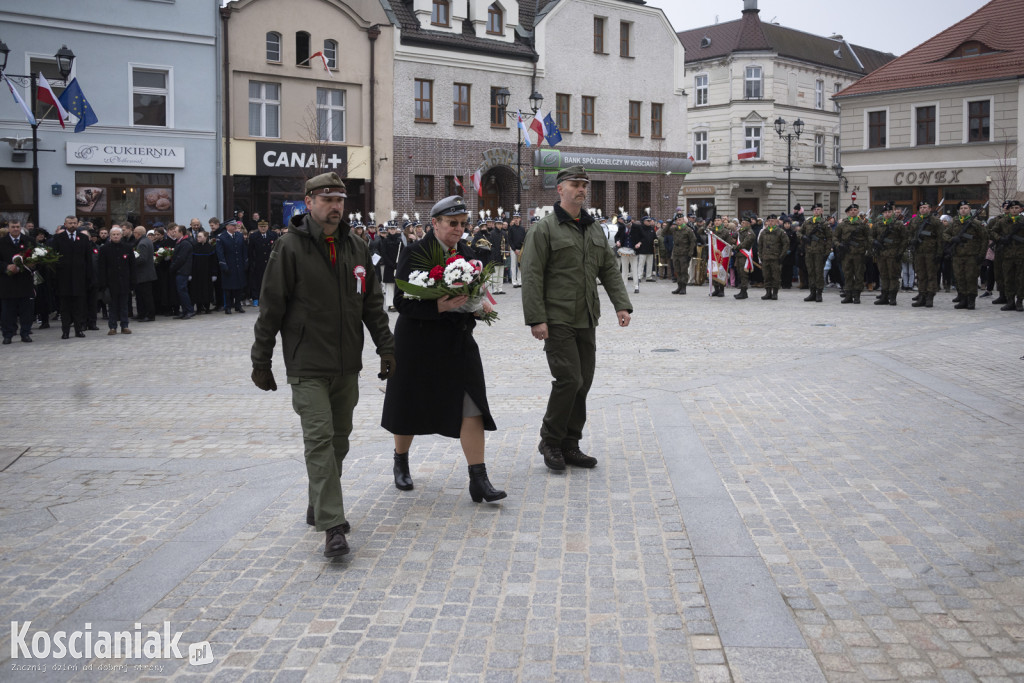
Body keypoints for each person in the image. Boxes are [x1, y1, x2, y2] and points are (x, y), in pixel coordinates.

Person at [251, 172, 395, 558]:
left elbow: (372, 305)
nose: (335, 207)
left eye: (340, 200)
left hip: (347, 363)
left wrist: (387, 348)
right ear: (309, 202)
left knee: (340, 441)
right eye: (327, 200)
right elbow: (271, 308)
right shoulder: (289, 248)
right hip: (307, 362)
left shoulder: (357, 246)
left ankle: (320, 499)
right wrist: (260, 360)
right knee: (319, 440)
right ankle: (333, 524)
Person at [381, 195, 505, 503]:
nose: (458, 230)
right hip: (418, 342)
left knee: (472, 405)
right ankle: (401, 459)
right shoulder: (414, 253)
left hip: (456, 342)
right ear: (434, 223)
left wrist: (479, 307)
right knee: (408, 403)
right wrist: (437, 305)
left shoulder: (467, 252)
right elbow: (400, 302)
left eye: (463, 224)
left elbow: (476, 290)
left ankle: (479, 479)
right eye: (452, 223)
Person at [521, 166, 632, 471]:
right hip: (557, 318)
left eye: (585, 184)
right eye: (575, 184)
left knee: (583, 383)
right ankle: (550, 440)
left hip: (586, 317)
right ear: (560, 189)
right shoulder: (544, 229)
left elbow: (608, 268)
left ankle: (570, 443)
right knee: (569, 379)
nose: (582, 189)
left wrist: (621, 304)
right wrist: (536, 319)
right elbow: (531, 276)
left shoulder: (593, 228)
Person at [53, 215, 94, 339]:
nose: (72, 225)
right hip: (63, 279)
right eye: (70, 223)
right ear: (65, 224)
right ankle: (65, 331)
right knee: (65, 307)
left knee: (79, 307)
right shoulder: (58, 238)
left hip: (79, 279)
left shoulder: (83, 238)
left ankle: (79, 329)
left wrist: (89, 277)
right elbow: (54, 259)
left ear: (77, 224)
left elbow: (88, 259)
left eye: (74, 223)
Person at [944, 200, 987, 311]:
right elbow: (945, 234)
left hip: (971, 255)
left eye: (966, 208)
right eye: (961, 208)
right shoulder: (955, 222)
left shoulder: (976, 223)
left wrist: (981, 255)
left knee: (971, 278)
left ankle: (971, 300)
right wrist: (952, 239)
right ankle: (963, 299)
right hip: (957, 255)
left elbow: (984, 239)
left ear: (969, 210)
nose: (963, 210)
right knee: (959, 278)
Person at [96, 226, 136, 334]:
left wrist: (132, 281)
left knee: (124, 305)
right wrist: (103, 283)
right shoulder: (104, 249)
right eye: (113, 234)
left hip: (124, 282)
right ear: (110, 236)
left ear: (121, 235)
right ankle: (112, 327)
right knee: (112, 306)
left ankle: (125, 325)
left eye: (118, 234)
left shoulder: (127, 247)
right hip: (110, 282)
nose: (116, 236)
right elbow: (101, 267)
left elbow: (132, 266)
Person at [0, 219, 35, 344]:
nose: (15, 229)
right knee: (8, 311)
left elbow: (38, 259)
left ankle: (25, 333)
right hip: (7, 282)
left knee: (26, 311)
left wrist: (32, 265)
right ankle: (8, 335)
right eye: (13, 226)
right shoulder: (2, 242)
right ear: (8, 228)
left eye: (17, 226)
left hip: (24, 281)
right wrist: (6, 267)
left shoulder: (29, 241)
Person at [908, 201, 944, 308]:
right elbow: (909, 233)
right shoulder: (914, 220)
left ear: (930, 209)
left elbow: (940, 238)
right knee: (920, 275)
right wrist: (912, 241)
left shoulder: (935, 221)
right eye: (921, 207)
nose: (923, 209)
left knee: (931, 275)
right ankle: (922, 296)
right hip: (918, 252)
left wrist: (939, 253)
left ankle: (930, 297)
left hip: (931, 252)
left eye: (925, 207)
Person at [871, 203, 909, 306]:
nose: (887, 214)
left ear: (892, 213)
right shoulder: (878, 224)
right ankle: (884, 296)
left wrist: (900, 252)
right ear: (882, 213)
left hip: (893, 253)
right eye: (885, 212)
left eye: (889, 212)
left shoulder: (898, 224)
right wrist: (875, 243)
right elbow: (871, 236)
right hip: (881, 253)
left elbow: (905, 239)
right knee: (883, 275)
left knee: (893, 276)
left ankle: (892, 297)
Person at [835, 204, 871, 304]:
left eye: (855, 210)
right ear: (847, 212)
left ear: (858, 211)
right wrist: (839, 245)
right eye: (851, 210)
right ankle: (848, 295)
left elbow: (869, 237)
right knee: (847, 274)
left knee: (859, 274)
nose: (853, 212)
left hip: (859, 253)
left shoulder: (862, 224)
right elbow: (835, 237)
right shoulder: (842, 224)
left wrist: (867, 250)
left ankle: (857, 295)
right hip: (846, 254)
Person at [798, 204, 831, 302]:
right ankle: (812, 292)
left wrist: (827, 251)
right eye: (814, 209)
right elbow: (799, 232)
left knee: (819, 273)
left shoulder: (824, 223)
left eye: (818, 209)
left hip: (819, 251)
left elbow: (829, 238)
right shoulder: (807, 222)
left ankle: (819, 293)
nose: (816, 211)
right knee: (811, 272)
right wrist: (803, 237)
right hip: (809, 251)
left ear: (822, 211)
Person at [216, 220, 248, 313]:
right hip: (228, 265)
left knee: (239, 287)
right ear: (227, 227)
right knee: (228, 288)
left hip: (238, 265)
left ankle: (238, 305)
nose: (235, 227)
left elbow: (243, 250)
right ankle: (228, 306)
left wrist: (245, 261)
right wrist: (223, 264)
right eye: (233, 225)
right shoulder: (221, 237)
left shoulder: (239, 235)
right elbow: (220, 253)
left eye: (235, 225)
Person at [659, 215, 695, 295]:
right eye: (677, 220)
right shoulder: (674, 229)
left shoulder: (688, 230)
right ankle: (679, 286)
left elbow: (693, 242)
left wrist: (690, 253)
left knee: (684, 271)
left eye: (680, 220)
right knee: (677, 271)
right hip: (675, 253)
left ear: (683, 221)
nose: (678, 221)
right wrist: (670, 223)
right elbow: (663, 232)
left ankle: (683, 288)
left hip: (684, 253)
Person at [757, 214, 788, 300]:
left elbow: (786, 244)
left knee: (776, 276)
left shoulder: (780, 232)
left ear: (776, 222)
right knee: (766, 276)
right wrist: (761, 256)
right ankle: (768, 293)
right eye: (769, 221)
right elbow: (760, 245)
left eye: (772, 221)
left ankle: (775, 293)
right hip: (766, 258)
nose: (771, 222)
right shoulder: (764, 232)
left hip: (776, 258)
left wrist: (781, 256)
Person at [168, 224, 195, 319]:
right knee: (180, 291)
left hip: (183, 270)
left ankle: (189, 310)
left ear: (181, 232)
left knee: (182, 291)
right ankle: (184, 311)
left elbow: (181, 258)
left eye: (175, 232)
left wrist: (172, 267)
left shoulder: (185, 243)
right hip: (180, 270)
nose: (174, 233)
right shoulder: (180, 242)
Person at [248, 220, 277, 307]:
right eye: (261, 227)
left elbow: (276, 248)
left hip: (270, 262)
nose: (263, 228)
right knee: (257, 281)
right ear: (258, 227)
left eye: (265, 226)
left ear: (268, 227)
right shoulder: (253, 236)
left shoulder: (273, 235)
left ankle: (269, 298)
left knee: (270, 281)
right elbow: (250, 251)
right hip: (258, 262)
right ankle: (256, 298)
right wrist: (251, 263)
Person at [133, 226, 157, 322]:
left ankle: (150, 315)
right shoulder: (147, 241)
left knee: (146, 296)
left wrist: (133, 261)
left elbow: (142, 259)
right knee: (142, 295)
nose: (134, 234)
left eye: (134, 232)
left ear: (138, 233)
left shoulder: (142, 243)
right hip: (146, 273)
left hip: (144, 274)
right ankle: (142, 313)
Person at [190, 230, 217, 313]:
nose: (198, 238)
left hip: (207, 274)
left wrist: (214, 274)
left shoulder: (210, 248)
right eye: (198, 236)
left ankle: (207, 307)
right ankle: (198, 308)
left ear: (205, 237)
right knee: (197, 290)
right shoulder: (195, 247)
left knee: (207, 290)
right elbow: (192, 262)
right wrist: (190, 273)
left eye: (200, 236)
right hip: (196, 274)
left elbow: (214, 262)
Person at [732, 217, 756, 299]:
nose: (741, 224)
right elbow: (734, 238)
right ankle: (742, 291)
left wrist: (736, 247)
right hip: (739, 255)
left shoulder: (750, 233)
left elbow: (745, 244)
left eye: (743, 222)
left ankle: (744, 291)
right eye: (741, 222)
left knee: (743, 274)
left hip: (745, 256)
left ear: (748, 224)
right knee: (740, 273)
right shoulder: (741, 231)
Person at [508, 210, 526, 288]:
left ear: (520, 219)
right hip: (513, 250)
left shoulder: (522, 229)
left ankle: (519, 281)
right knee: (513, 265)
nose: (516, 219)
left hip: (520, 250)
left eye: (517, 218)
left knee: (520, 266)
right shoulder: (511, 229)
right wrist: (514, 249)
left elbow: (524, 239)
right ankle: (514, 282)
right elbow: (510, 240)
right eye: (515, 218)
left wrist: (522, 249)